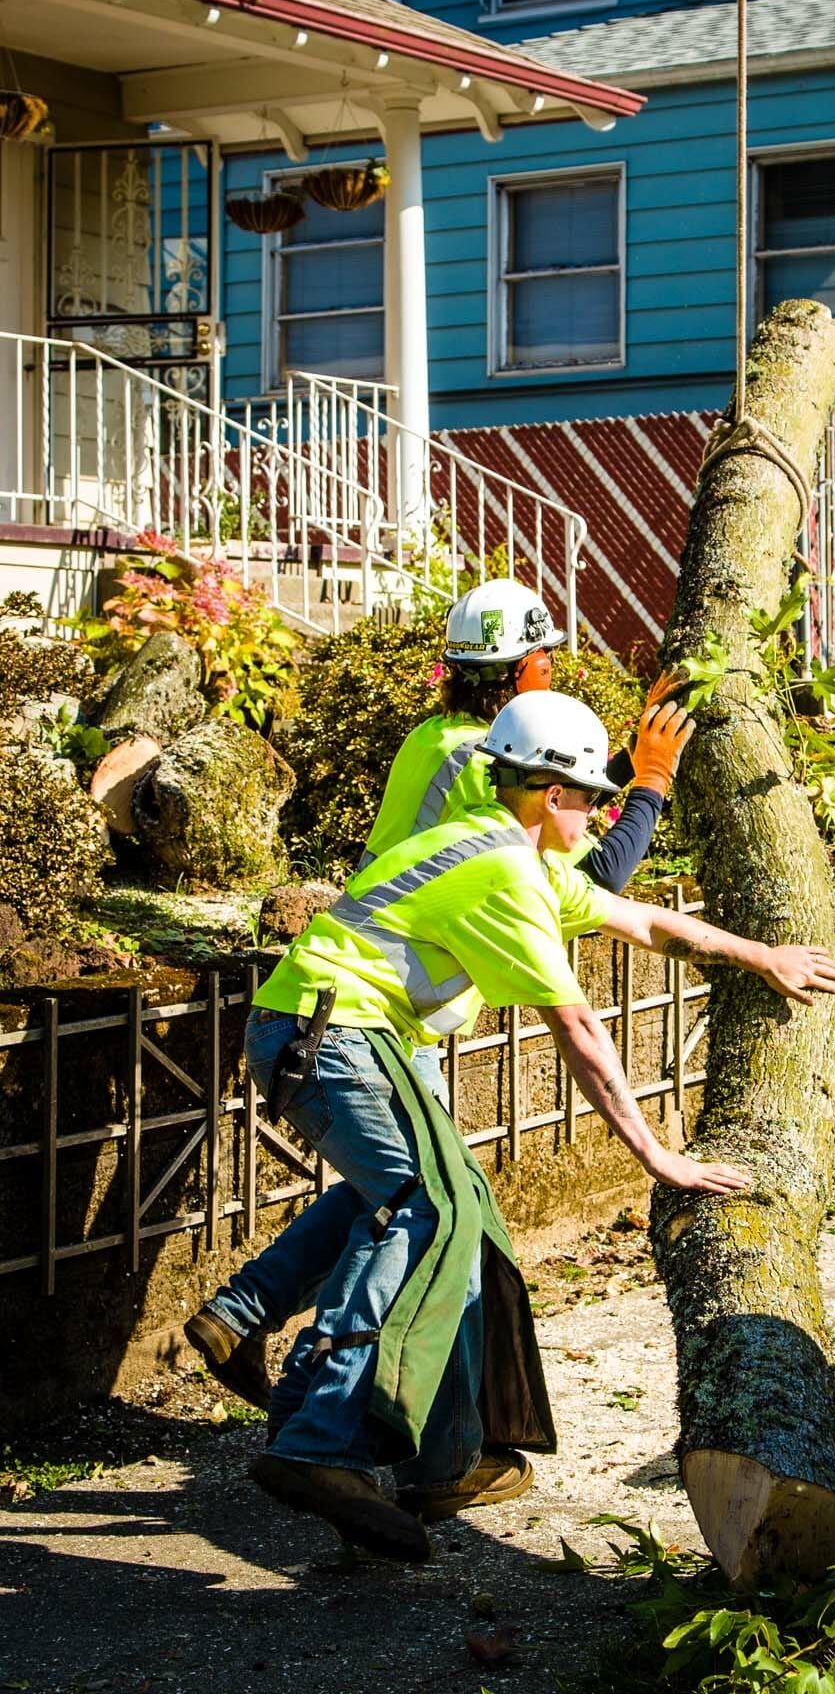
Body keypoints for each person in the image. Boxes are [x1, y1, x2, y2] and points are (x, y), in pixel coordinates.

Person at [243, 691, 835, 1558]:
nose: (605, 813)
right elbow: (579, 1031)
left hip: (334, 1035)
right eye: (595, 797)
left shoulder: (513, 849)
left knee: (462, 1212)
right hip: (331, 1038)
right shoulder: (503, 870)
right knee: (428, 1205)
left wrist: (763, 956)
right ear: (549, 794)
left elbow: (645, 922)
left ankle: (439, 1460)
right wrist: (658, 1158)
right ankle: (320, 1434)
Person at [184, 579, 691, 1417]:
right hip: (380, 1017)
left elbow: (560, 804)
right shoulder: (478, 757)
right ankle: (317, 1385)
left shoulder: (445, 736)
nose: (555, 673)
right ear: (527, 665)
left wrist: (626, 762)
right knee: (424, 1198)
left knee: (394, 1186)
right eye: (549, 660)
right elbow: (596, 874)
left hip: (378, 1003)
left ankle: (245, 1316)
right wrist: (650, 784)